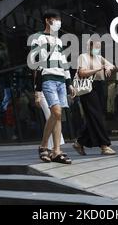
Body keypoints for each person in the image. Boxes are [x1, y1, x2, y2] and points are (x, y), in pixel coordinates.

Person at [31, 10, 76, 164]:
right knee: (56, 112)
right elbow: (35, 65)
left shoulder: (58, 41)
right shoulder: (38, 38)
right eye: (56, 19)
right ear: (48, 20)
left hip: (61, 80)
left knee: (58, 115)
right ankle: (43, 145)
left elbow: (64, 62)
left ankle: (57, 151)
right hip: (48, 79)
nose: (59, 22)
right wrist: (37, 90)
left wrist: (69, 83)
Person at [73, 37, 116, 156]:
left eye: (99, 47)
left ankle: (79, 142)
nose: (98, 49)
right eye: (96, 47)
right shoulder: (83, 57)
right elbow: (81, 73)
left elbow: (111, 66)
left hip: (98, 87)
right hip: (88, 88)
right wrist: (97, 69)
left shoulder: (99, 57)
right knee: (96, 116)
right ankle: (104, 145)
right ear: (89, 46)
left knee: (95, 116)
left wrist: (107, 67)